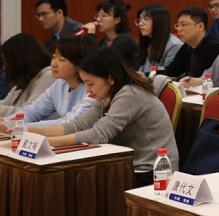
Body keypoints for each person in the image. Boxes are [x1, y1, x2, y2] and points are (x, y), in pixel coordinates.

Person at [28, 47, 179, 185]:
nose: (87, 90)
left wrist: (46, 142)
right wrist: (30, 131)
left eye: (90, 84)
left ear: (110, 78)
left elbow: (98, 134)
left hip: (152, 171)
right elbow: (78, 125)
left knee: (78, 181)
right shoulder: (107, 93)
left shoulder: (130, 94)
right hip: (127, 164)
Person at [0, 35, 96, 133]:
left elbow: (69, 122)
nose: (53, 64)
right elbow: (33, 110)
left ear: (79, 64)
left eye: (61, 60)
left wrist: (20, 126)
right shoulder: (60, 83)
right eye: (54, 57)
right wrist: (9, 122)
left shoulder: (91, 88)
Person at [158, 7, 219, 79]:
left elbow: (196, 76)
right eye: (177, 25)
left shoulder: (214, 47)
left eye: (183, 24)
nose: (178, 29)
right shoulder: (187, 46)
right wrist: (153, 72)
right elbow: (171, 70)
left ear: (200, 26)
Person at [0, 34, 56, 115]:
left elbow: (30, 113)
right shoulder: (25, 79)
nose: (4, 67)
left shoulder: (48, 76)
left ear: (19, 61)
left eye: (7, 62)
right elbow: (5, 103)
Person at [135, 5, 182, 74]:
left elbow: (168, 73)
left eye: (146, 19)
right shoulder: (148, 40)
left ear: (159, 21)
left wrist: (144, 76)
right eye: (139, 20)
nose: (140, 24)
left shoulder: (174, 45)